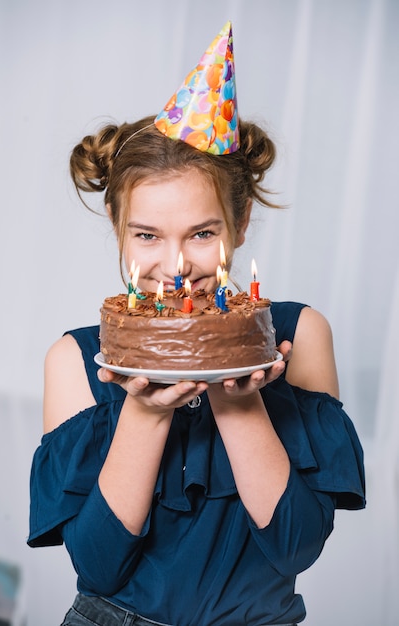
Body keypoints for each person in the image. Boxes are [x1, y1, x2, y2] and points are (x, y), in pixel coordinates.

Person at [28, 22, 365, 626]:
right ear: (117, 226)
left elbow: (297, 547)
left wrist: (239, 403)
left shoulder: (298, 333)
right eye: (148, 235)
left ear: (240, 224)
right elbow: (99, 567)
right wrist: (145, 411)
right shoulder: (76, 360)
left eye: (202, 234)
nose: (176, 266)